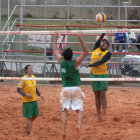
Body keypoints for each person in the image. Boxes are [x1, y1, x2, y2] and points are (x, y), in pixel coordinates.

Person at [53, 32, 89, 140]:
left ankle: (63, 131)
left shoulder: (61, 61)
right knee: (79, 110)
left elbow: (55, 50)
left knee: (64, 110)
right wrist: (81, 39)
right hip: (76, 88)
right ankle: (78, 125)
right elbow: (86, 52)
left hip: (65, 89)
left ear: (64, 55)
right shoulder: (75, 62)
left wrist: (55, 38)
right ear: (72, 56)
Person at [83, 33, 111, 122]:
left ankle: (105, 113)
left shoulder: (108, 53)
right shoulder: (96, 48)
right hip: (93, 74)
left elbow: (100, 62)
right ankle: (98, 113)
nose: (104, 43)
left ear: (107, 46)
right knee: (96, 94)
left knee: (102, 93)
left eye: (106, 43)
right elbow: (98, 40)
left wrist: (89, 65)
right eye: (103, 42)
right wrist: (103, 33)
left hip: (103, 74)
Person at [17, 65, 44, 135]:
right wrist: (26, 94)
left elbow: (35, 88)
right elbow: (18, 89)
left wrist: (40, 95)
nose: (31, 69)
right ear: (26, 71)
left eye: (32, 68)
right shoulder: (24, 79)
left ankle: (26, 126)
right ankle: (31, 131)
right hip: (27, 101)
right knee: (29, 117)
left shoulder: (33, 77)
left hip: (34, 100)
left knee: (36, 115)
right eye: (29, 68)